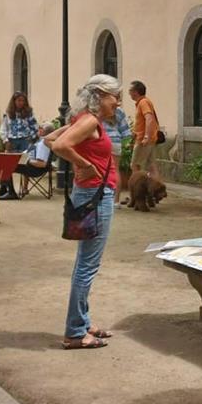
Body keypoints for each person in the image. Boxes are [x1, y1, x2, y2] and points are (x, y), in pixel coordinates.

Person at [50, 74, 122, 350]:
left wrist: (80, 161)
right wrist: (85, 164)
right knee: (88, 265)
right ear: (100, 96)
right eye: (114, 96)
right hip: (95, 194)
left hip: (89, 193)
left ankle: (82, 321)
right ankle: (76, 332)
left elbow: (51, 139)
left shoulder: (84, 119)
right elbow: (58, 146)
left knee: (84, 262)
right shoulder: (90, 121)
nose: (117, 102)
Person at [0, 92, 38, 200]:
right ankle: (7, 188)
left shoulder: (28, 113)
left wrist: (32, 138)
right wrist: (5, 140)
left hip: (25, 140)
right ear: (14, 101)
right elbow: (4, 128)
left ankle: (25, 187)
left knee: (26, 163)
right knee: (8, 164)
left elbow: (34, 126)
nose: (21, 103)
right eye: (18, 100)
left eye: (23, 101)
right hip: (12, 141)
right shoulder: (8, 113)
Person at [128, 80, 159, 174]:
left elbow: (149, 119)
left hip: (143, 140)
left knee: (136, 166)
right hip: (147, 139)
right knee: (151, 166)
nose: (129, 93)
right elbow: (140, 123)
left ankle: (138, 187)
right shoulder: (143, 102)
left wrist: (146, 137)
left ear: (135, 92)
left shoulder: (143, 102)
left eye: (130, 90)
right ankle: (156, 187)